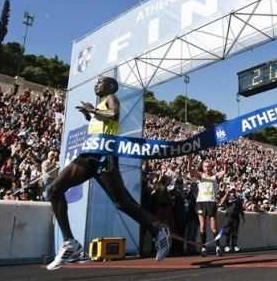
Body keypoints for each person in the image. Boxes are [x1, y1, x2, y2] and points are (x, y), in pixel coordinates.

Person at [46, 76, 170, 270]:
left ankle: (158, 231)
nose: (96, 85)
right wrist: (90, 115)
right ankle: (70, 242)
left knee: (122, 203)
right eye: (96, 83)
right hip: (90, 155)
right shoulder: (100, 105)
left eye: (100, 82)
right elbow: (102, 120)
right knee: (54, 190)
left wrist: (92, 111)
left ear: (110, 86)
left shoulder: (111, 98)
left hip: (104, 155)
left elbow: (113, 115)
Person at [187, 155, 226, 257]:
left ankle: (218, 247)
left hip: (212, 202)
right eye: (205, 166)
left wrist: (224, 164)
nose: (207, 168)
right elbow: (191, 171)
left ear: (211, 167)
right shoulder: (200, 176)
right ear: (202, 167)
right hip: (201, 202)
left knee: (213, 227)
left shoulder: (214, 177)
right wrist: (190, 161)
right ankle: (203, 247)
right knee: (203, 226)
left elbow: (223, 172)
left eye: (209, 166)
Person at [219, 187, 244, 253]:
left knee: (235, 232)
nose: (232, 193)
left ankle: (234, 245)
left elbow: (241, 209)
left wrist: (243, 217)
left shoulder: (238, 199)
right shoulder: (227, 198)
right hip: (228, 218)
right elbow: (221, 203)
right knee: (227, 232)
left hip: (236, 218)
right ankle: (226, 246)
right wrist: (226, 194)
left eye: (233, 192)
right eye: (231, 192)